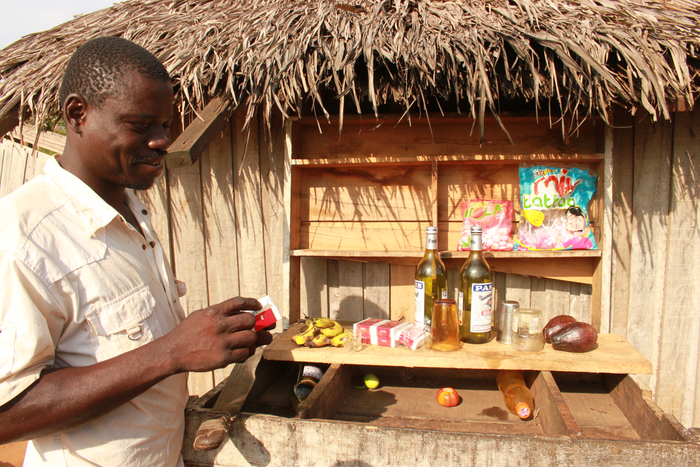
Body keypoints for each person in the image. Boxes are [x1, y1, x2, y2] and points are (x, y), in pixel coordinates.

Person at [0, 36, 272, 466]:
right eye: (140, 125)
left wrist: (208, 337)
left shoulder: (130, 210)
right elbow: (6, 413)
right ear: (78, 115)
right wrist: (171, 353)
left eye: (165, 124)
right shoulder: (24, 236)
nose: (163, 140)